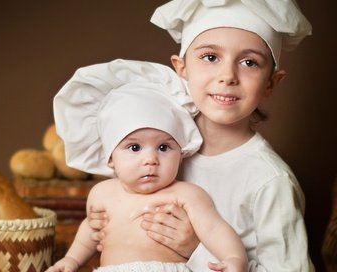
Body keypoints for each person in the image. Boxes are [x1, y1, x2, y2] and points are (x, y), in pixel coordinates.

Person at [88, 1, 315, 271]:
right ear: (181, 67)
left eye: (249, 62)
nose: (227, 76)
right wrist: (108, 227)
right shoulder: (156, 146)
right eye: (210, 57)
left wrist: (195, 248)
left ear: (270, 83)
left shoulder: (270, 181)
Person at [47, 59, 248, 272]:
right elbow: (91, 230)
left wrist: (234, 258)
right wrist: (71, 260)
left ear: (181, 154)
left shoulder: (186, 195)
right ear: (110, 158)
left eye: (163, 147)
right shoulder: (101, 193)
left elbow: (215, 228)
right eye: (134, 148)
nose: (150, 159)